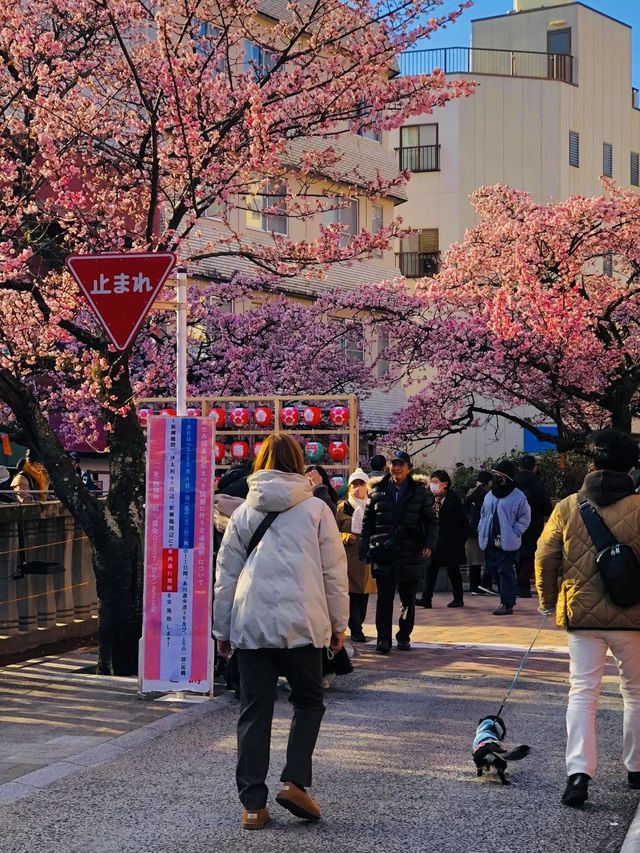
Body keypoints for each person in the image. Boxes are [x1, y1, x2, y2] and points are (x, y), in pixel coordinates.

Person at [213, 434, 348, 830]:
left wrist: (222, 629)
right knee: (308, 700)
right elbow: (333, 575)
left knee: (255, 710)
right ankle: (294, 781)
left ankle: (253, 805)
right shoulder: (316, 510)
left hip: (252, 626)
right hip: (302, 625)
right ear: (298, 463)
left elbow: (227, 577)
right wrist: (338, 624)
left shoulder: (242, 512)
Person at [536, 428, 640, 808]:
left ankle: (578, 774)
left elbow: (546, 557)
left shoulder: (568, 506)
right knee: (636, 692)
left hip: (582, 615)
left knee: (582, 693)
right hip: (633, 618)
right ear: (630, 467)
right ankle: (636, 768)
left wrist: (549, 602)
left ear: (592, 462)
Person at [360, 450, 438, 653]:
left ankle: (404, 636)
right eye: (394, 464)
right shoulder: (377, 491)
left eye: (401, 464)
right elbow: (368, 522)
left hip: (411, 551)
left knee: (408, 599)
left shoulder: (420, 492)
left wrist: (429, 543)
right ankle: (383, 640)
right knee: (384, 599)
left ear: (409, 468)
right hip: (384, 552)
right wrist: (365, 545)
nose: (397, 468)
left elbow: (431, 521)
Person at [477, 459, 530, 616]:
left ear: (507, 477)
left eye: (499, 475)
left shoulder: (518, 496)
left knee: (505, 570)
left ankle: (507, 603)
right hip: (490, 539)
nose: (496, 478)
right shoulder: (490, 496)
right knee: (494, 570)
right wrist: (481, 529)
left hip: (507, 540)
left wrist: (515, 532)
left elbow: (525, 518)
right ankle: (505, 599)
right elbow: (483, 514)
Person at [416, 469, 468, 608]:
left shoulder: (454, 499)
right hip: (434, 540)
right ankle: (426, 598)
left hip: (451, 541)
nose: (432, 484)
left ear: (445, 484)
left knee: (453, 570)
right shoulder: (429, 498)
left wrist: (460, 540)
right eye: (431, 481)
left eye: (436, 482)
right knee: (431, 569)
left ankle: (458, 598)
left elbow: (463, 522)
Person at [336, 468, 372, 642]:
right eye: (354, 484)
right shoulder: (343, 507)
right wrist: (344, 536)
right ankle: (356, 628)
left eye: (361, 484)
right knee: (351, 594)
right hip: (348, 557)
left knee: (364, 594)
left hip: (367, 556)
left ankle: (359, 624)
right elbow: (332, 532)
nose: (358, 488)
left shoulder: (372, 505)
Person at [514, 455, 552, 598]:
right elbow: (546, 507)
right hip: (533, 522)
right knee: (531, 554)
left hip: (515, 522)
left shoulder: (514, 482)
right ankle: (521, 583)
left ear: (519, 467)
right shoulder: (537, 483)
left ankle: (521, 585)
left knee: (518, 552)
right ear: (534, 467)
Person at [464, 471, 493, 595]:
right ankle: (483, 586)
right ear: (489, 482)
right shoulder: (487, 494)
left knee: (474, 561)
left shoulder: (471, 492)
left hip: (470, 530)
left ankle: (474, 587)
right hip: (482, 529)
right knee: (487, 559)